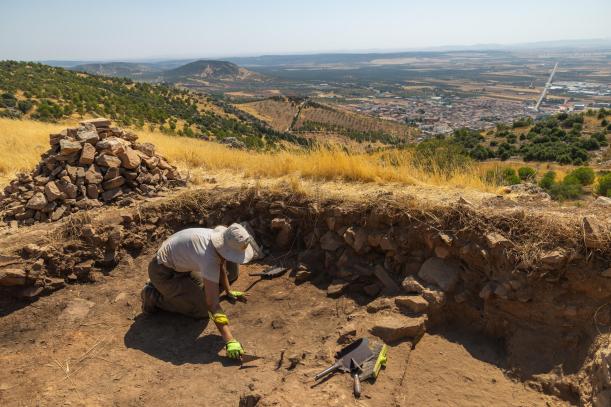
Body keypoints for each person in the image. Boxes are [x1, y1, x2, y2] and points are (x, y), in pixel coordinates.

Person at [140, 223, 260, 360]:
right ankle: (153, 295)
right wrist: (229, 340)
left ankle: (174, 292)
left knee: (231, 273)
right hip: (164, 273)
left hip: (183, 266)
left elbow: (220, 264)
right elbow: (212, 305)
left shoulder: (220, 239)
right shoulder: (208, 258)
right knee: (203, 310)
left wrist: (228, 291)